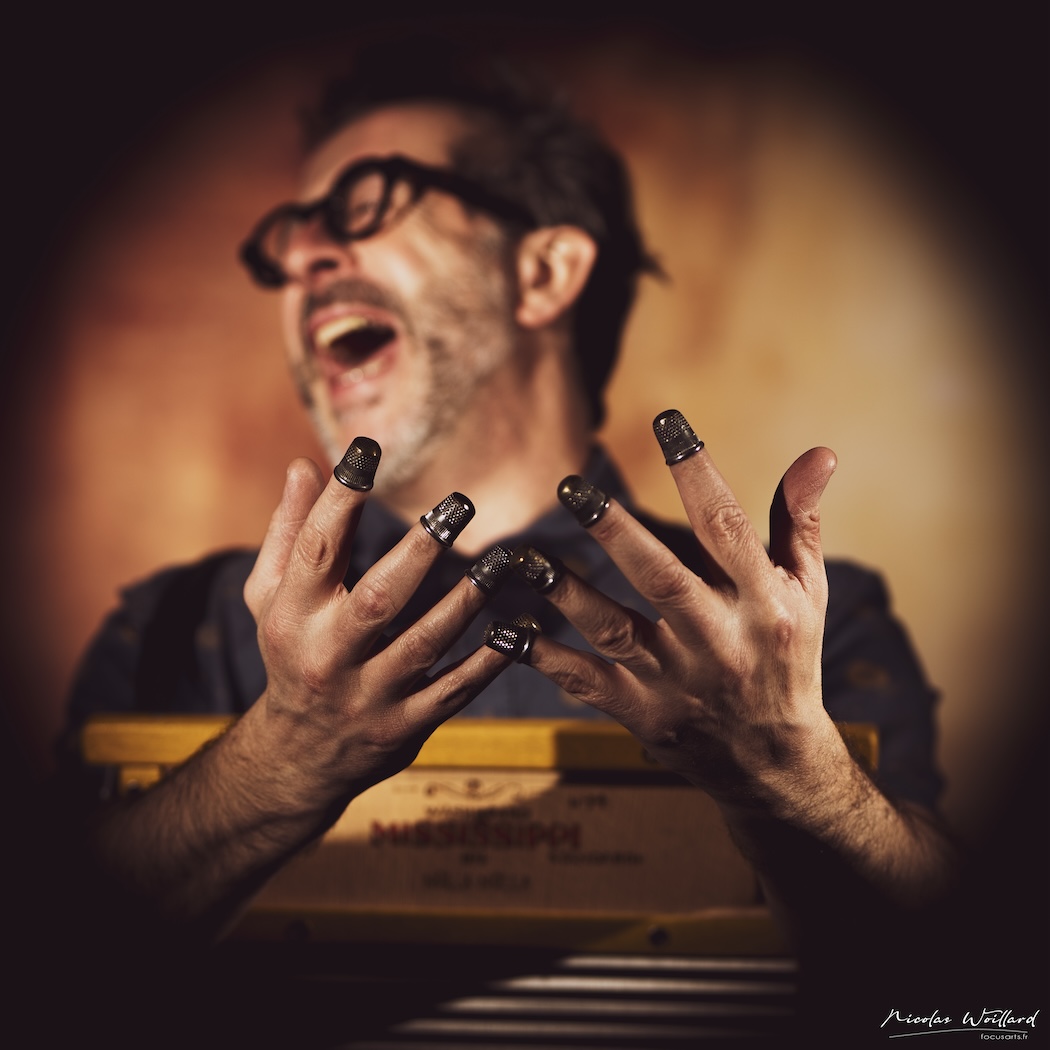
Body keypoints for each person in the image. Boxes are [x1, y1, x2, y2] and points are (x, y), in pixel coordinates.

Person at [62, 43, 955, 957]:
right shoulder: (173, 628)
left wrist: (794, 775)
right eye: (289, 236)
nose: (303, 259)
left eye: (363, 202)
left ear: (543, 275)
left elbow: (949, 982)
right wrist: (278, 759)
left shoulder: (794, 630)